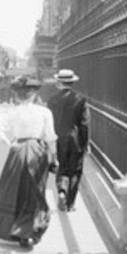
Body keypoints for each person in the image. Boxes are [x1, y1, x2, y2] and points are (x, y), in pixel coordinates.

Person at [0, 76, 57, 250]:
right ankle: (31, 228)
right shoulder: (44, 112)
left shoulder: (13, 112)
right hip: (37, 151)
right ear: (33, 95)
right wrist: (54, 157)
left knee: (15, 189)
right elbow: (51, 136)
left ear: (17, 95)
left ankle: (18, 229)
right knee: (35, 190)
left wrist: (9, 143)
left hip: (18, 150)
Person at [46, 68, 89, 212]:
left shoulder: (52, 101)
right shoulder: (80, 100)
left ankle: (61, 191)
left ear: (59, 82)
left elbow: (49, 123)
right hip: (75, 139)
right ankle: (70, 203)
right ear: (72, 82)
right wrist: (85, 143)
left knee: (61, 167)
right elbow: (84, 124)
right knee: (75, 170)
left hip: (58, 139)